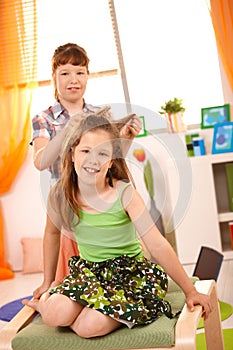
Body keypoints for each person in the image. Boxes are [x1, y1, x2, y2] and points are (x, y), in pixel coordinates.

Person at [23, 113, 212, 339]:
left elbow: (158, 245)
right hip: (90, 273)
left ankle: (103, 312)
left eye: (102, 153)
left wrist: (190, 291)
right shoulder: (59, 194)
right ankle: (55, 304)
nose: (93, 160)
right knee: (54, 315)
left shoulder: (125, 193)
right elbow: (52, 235)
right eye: (86, 151)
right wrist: (47, 281)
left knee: (86, 327)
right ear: (72, 153)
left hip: (129, 275)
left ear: (112, 161)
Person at [31, 43, 142, 279]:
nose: (74, 79)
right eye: (65, 73)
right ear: (54, 77)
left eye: (80, 72)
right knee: (72, 276)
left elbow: (113, 159)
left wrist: (128, 138)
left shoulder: (100, 115)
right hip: (69, 204)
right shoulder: (44, 118)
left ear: (88, 76)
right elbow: (41, 161)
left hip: (100, 203)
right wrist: (66, 132)